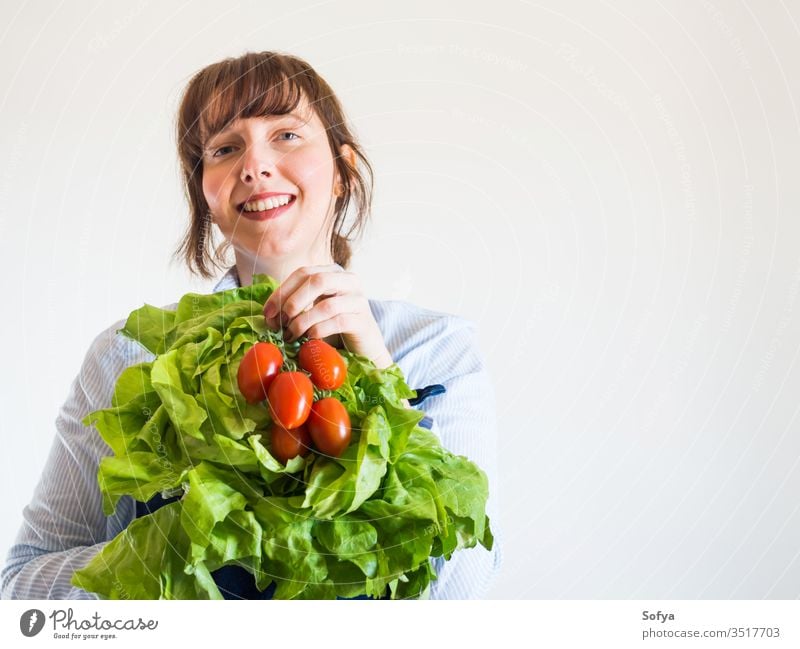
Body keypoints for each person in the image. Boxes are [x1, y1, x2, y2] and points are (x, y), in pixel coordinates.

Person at [1, 50, 502, 600]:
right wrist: (181, 546)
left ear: (343, 171)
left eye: (286, 134)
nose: (254, 165)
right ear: (204, 192)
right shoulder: (128, 355)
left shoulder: (434, 349)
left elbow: (460, 597)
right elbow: (21, 588)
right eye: (224, 148)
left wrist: (386, 386)